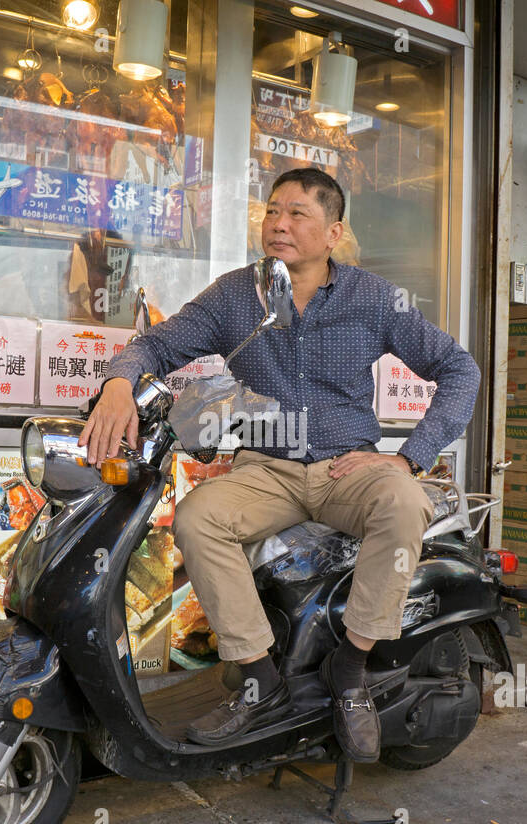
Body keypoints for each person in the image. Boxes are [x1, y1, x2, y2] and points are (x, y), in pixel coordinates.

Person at [78, 167, 480, 762]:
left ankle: (351, 670)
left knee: (403, 503)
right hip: (266, 468)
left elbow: (460, 370)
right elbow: (158, 344)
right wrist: (118, 381)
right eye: (272, 212)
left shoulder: (374, 299)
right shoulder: (236, 295)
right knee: (197, 518)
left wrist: (410, 458)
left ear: (333, 231)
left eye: (298, 215)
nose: (280, 225)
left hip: (349, 466)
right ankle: (259, 678)